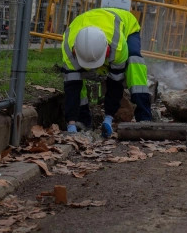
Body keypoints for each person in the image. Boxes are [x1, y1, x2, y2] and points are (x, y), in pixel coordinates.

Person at [61, 7, 152, 138]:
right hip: (87, 22)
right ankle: (82, 120)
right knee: (74, 78)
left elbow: (115, 83)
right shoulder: (68, 50)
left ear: (107, 50)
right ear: (76, 51)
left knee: (134, 61)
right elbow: (72, 88)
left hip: (127, 24)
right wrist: (71, 123)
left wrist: (108, 118)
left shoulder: (118, 46)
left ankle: (144, 116)